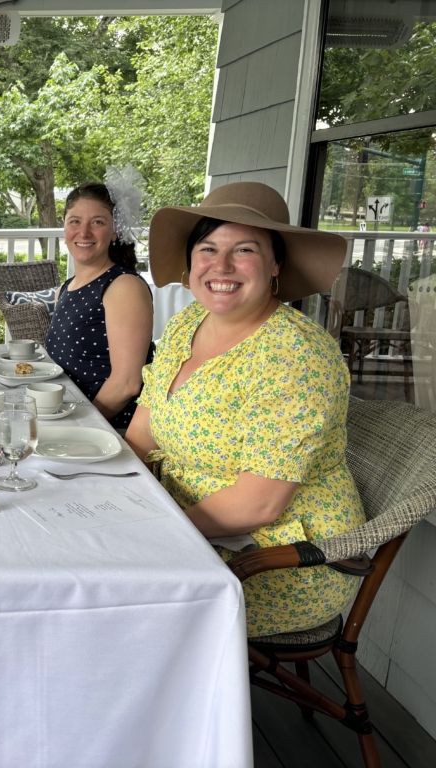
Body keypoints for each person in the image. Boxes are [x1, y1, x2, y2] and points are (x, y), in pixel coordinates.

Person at [125, 181, 365, 638]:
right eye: (208, 248)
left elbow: (260, 502)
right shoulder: (186, 323)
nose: (221, 266)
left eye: (245, 250)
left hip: (277, 558)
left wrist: (150, 537)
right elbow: (143, 432)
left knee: (108, 606)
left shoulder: (294, 355)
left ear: (276, 264)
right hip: (185, 521)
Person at [44, 168, 154, 431]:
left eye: (98, 222)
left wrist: (75, 428)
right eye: (75, 221)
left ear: (115, 231)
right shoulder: (67, 288)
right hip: (67, 418)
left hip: (108, 431)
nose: (84, 232)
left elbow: (127, 384)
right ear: (64, 227)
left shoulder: (123, 286)